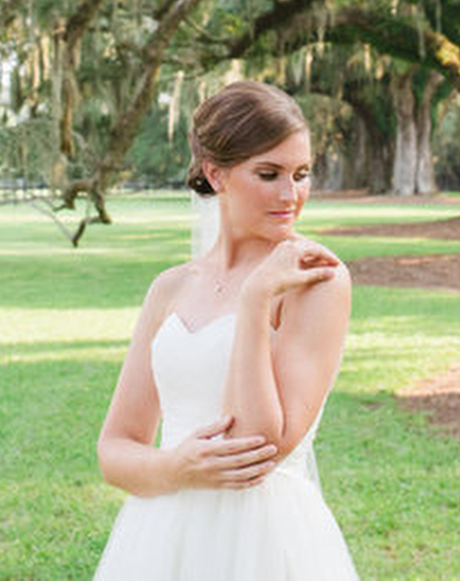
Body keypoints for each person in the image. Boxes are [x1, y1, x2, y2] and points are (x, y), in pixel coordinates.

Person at [92, 81, 357, 580]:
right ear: (216, 175)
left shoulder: (316, 277)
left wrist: (257, 301)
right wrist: (176, 469)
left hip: (265, 543)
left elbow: (258, 445)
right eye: (269, 173)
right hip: (160, 536)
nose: (291, 195)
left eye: (301, 174)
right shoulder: (169, 289)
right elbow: (115, 449)